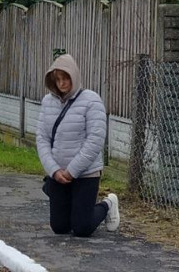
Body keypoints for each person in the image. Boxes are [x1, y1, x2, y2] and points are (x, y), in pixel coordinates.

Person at [35, 53, 119, 237]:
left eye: (65, 78)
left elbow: (95, 140)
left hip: (85, 173)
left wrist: (72, 170)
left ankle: (107, 204)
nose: (62, 84)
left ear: (74, 76)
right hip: (58, 174)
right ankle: (74, 207)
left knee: (81, 228)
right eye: (57, 80)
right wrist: (54, 170)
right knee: (60, 227)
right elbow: (42, 138)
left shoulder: (91, 100)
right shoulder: (48, 102)